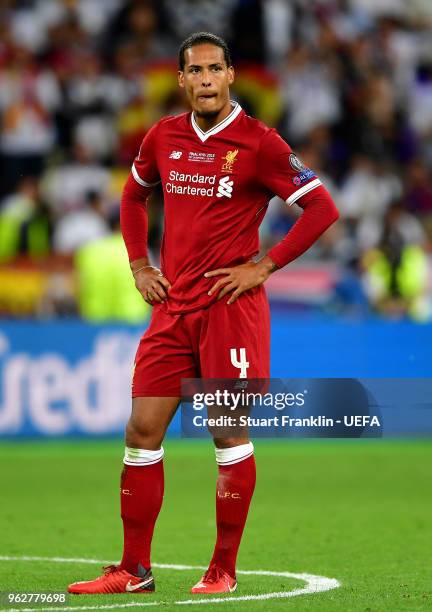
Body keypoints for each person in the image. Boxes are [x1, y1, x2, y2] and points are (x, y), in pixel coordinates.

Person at [68, 31, 339, 596]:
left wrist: (264, 267)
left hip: (229, 310)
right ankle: (133, 569)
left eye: (216, 68)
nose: (206, 79)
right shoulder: (163, 136)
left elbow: (321, 207)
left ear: (231, 75)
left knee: (227, 432)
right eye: (195, 71)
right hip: (171, 308)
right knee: (142, 431)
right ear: (183, 78)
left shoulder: (260, 142)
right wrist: (140, 266)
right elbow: (132, 196)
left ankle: (222, 570)